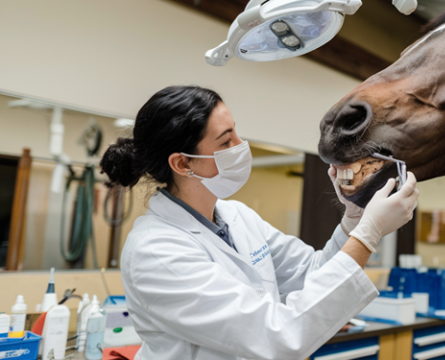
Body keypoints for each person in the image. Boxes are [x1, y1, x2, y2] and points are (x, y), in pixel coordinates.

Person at [99, 86, 419, 360]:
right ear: (182, 163)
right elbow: (279, 334)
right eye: (225, 142)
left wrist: (353, 218)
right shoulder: (155, 251)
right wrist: (369, 234)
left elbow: (313, 272)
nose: (241, 146)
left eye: (236, 132)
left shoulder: (238, 217)